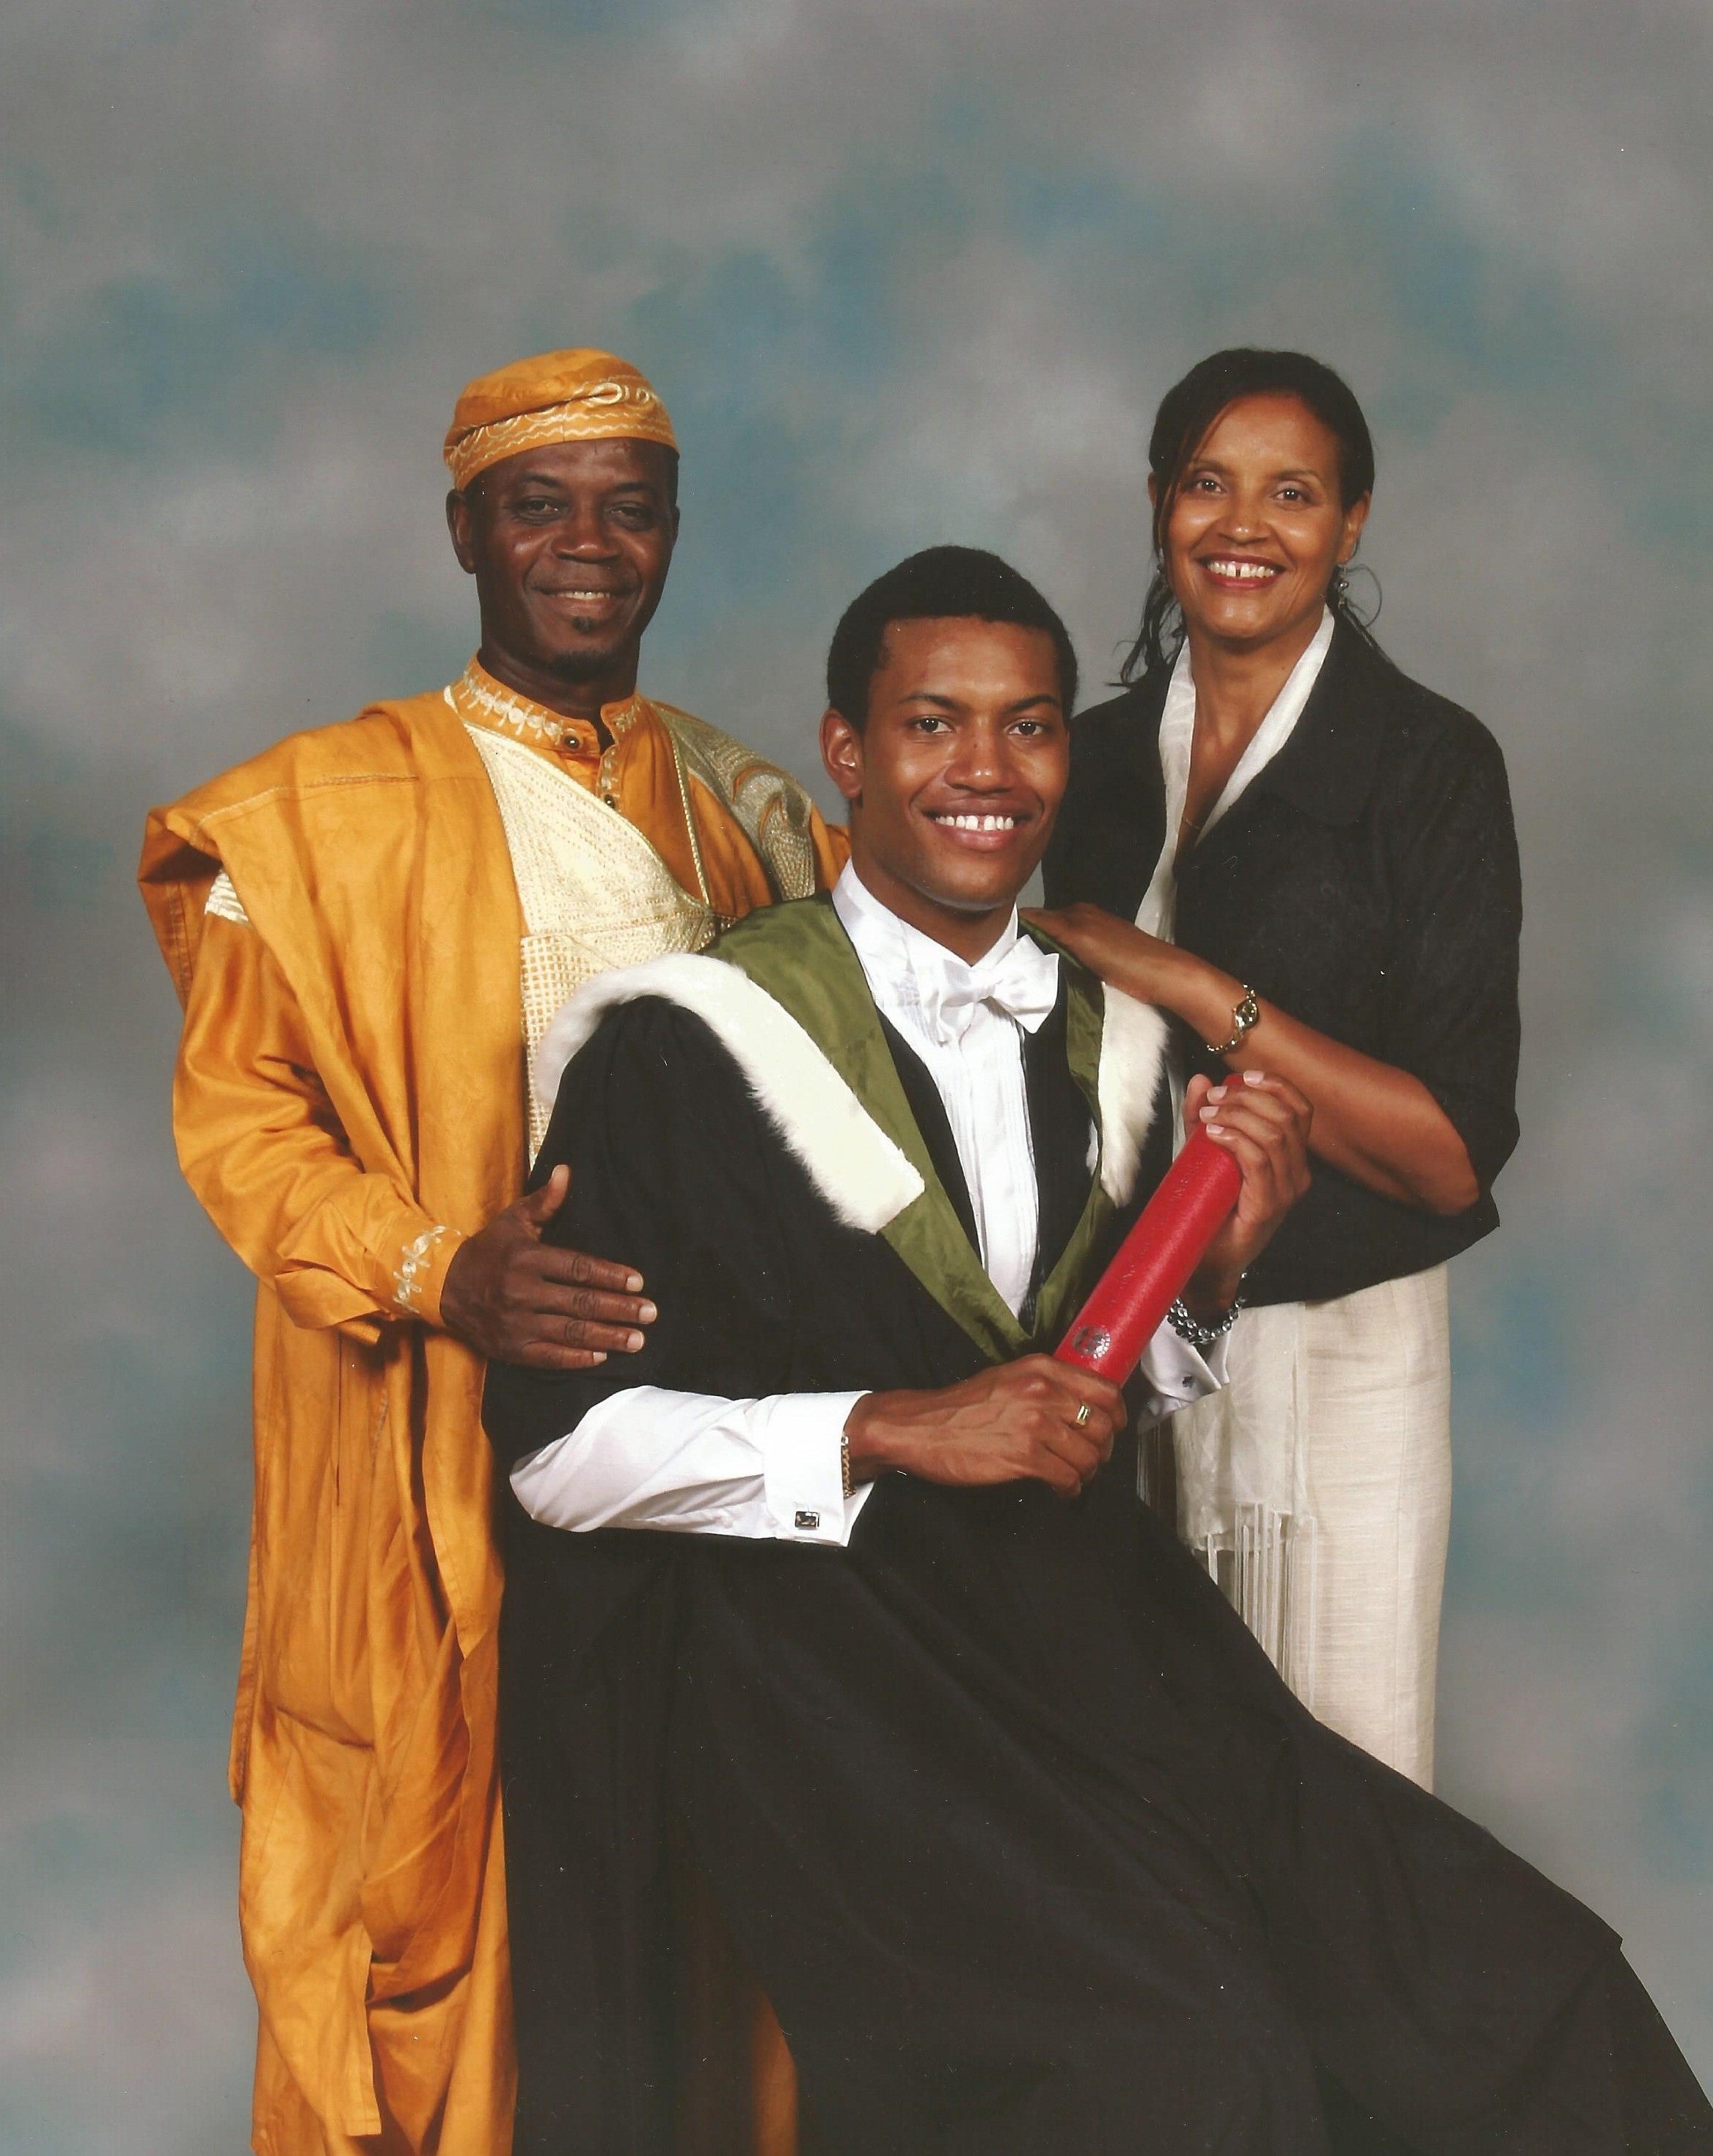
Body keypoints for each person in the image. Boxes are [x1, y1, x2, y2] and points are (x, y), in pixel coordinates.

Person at [485, 547, 1710, 2156]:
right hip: (838, 1693)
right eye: (934, 724)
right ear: (846, 753)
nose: (987, 772)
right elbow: (564, 1456)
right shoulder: (683, 1047)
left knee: (1526, 1991)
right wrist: (892, 1428)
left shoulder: (1111, 1042)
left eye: (1032, 727)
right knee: (1181, 2070)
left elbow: (1078, 1401)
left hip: (1100, 1651)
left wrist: (1213, 1276)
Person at [139, 348, 844, 2156]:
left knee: (691, 1928)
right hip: (432, 1450)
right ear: (463, 529)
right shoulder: (317, 815)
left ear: (675, 534)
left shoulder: (749, 811)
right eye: (540, 505)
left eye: (629, 506)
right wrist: (437, 1267)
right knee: (453, 1915)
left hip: (694, 1448)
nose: (587, 545)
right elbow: (244, 1127)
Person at [1037, 348, 1521, 1787]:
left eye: (1292, 494)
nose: (1243, 525)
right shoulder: (1090, 758)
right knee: (1139, 1800)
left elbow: (1445, 1150)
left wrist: (1185, 979)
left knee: (1337, 1800)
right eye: (1208, 484)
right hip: (1108, 1334)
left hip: (1335, 1352)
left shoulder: (1427, 766)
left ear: (1352, 524)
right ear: (1155, 503)